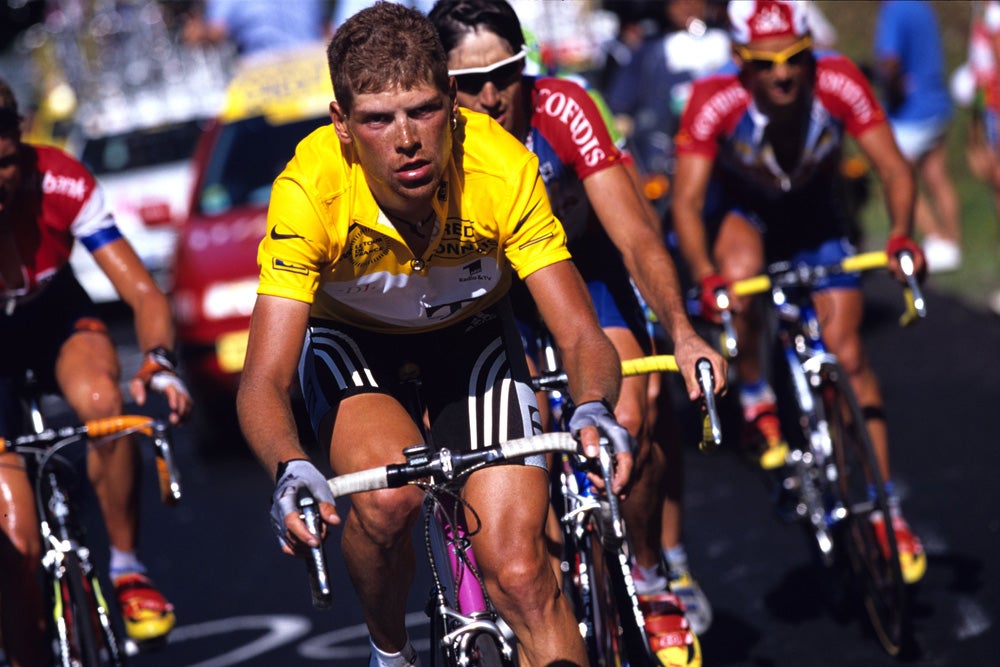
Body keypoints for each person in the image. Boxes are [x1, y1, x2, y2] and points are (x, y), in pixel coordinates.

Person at [235, 4, 637, 667]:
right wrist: (289, 464)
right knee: (387, 499)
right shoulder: (309, 189)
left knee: (524, 577)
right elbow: (264, 379)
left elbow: (579, 333)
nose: (406, 140)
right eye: (377, 119)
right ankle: (389, 650)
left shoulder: (501, 166)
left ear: (452, 100)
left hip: (471, 335)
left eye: (422, 110)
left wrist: (593, 404)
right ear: (341, 123)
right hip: (357, 343)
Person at [427, 0, 726, 651]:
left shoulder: (563, 107)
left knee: (630, 420)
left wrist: (682, 330)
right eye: (469, 83)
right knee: (525, 459)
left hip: (585, 273)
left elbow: (636, 237)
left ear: (524, 67)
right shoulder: (429, 138)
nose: (490, 96)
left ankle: (649, 571)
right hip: (499, 298)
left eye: (505, 74)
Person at [671, 0, 928, 585]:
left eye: (795, 58)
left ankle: (885, 510)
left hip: (815, 216)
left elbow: (894, 167)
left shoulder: (838, 81)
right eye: (765, 64)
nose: (783, 74)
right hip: (745, 214)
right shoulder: (714, 99)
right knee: (739, 279)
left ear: (812, 54)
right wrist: (706, 274)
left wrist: (900, 234)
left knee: (850, 354)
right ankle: (756, 395)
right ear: (740, 61)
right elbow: (686, 202)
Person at [0, 79, 192, 664]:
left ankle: (129, 569)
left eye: (4, 164)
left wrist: (159, 360)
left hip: (56, 317)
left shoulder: (59, 179)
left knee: (104, 402)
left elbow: (143, 293)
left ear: (20, 141)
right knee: (15, 542)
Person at [873, 0, 962, 274]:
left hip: (912, 112)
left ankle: (936, 239)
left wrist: (887, 88)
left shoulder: (894, 11)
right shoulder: (922, 6)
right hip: (936, 102)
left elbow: (890, 60)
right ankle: (953, 242)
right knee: (937, 176)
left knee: (898, 174)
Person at [181, 0, 326, 56]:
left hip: (262, 72)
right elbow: (324, 28)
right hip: (313, 64)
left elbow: (214, 33)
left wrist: (194, 30)